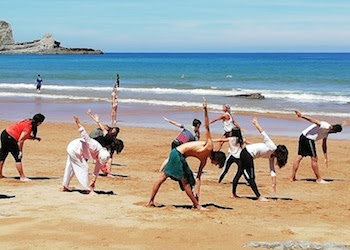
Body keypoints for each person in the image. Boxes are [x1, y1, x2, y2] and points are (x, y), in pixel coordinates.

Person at [147, 98, 226, 210]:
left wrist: (198, 195)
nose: (214, 164)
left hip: (180, 156)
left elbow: (199, 178)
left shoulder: (204, 161)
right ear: (217, 159)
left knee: (187, 180)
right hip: (178, 154)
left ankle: (195, 203)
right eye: (217, 163)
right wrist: (205, 109)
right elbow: (207, 127)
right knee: (183, 182)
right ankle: (197, 206)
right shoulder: (209, 146)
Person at [234, 117, 288, 201]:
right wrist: (256, 123)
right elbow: (263, 133)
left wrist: (274, 183)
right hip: (247, 153)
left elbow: (272, 170)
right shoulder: (272, 146)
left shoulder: (272, 156)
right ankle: (259, 197)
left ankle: (233, 194)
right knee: (251, 177)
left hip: (245, 152)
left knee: (239, 173)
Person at [62, 116, 110, 194]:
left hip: (76, 150)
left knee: (70, 167)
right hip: (74, 148)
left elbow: (96, 170)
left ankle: (65, 186)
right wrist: (78, 122)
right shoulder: (94, 146)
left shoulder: (101, 155)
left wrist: (93, 181)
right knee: (84, 167)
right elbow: (84, 135)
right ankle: (88, 189)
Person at [291, 110, 342, 183]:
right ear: (333, 130)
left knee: (299, 157)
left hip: (303, 136)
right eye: (335, 132)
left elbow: (324, 144)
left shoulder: (326, 133)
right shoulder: (326, 126)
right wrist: (301, 116)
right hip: (308, 138)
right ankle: (319, 179)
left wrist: (325, 156)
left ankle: (292, 178)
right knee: (314, 158)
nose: (334, 133)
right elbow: (314, 121)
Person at [0, 114, 45, 181]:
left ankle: (0, 175)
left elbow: (24, 135)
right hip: (10, 138)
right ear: (39, 123)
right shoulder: (29, 127)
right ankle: (22, 177)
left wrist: (34, 138)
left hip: (5, 133)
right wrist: (20, 151)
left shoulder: (28, 121)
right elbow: (21, 140)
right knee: (17, 157)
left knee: (3, 154)